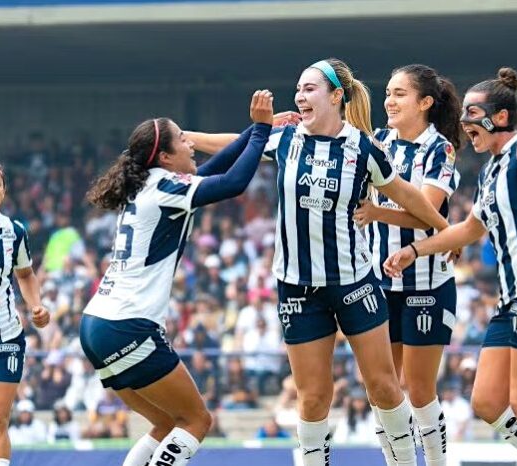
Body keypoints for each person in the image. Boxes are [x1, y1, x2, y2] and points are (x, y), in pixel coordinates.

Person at [190, 58, 451, 466]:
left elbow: (408, 196)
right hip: (297, 286)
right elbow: (233, 144)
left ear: (335, 96)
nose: (299, 95)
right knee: (312, 397)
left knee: (383, 386)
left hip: (353, 282)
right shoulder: (286, 139)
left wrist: (446, 231)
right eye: (298, 88)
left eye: (309, 88)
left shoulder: (364, 148)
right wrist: (183, 136)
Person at [384, 67, 517, 466]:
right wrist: (415, 252)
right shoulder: (490, 172)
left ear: (501, 118)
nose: (464, 123)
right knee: (488, 402)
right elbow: (468, 230)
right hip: (513, 298)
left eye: (473, 114)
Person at [78, 90, 274, 466]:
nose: (191, 143)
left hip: (98, 323)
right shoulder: (166, 188)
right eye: (183, 139)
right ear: (165, 157)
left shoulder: (152, 184)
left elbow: (212, 171)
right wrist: (262, 131)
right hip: (127, 325)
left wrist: (255, 130)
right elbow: (232, 183)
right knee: (197, 420)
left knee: (167, 423)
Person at [352, 64, 461, 466]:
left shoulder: (440, 148)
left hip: (427, 284)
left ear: (425, 102)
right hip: (380, 284)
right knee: (382, 388)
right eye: (388, 93)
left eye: (400, 94)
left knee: (417, 389)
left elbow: (427, 211)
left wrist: (377, 212)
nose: (389, 101)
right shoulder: (378, 141)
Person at [0, 159, 51, 466]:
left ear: (3, 191)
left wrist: (36, 305)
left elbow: (25, 274)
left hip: (4, 336)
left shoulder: (14, 232)